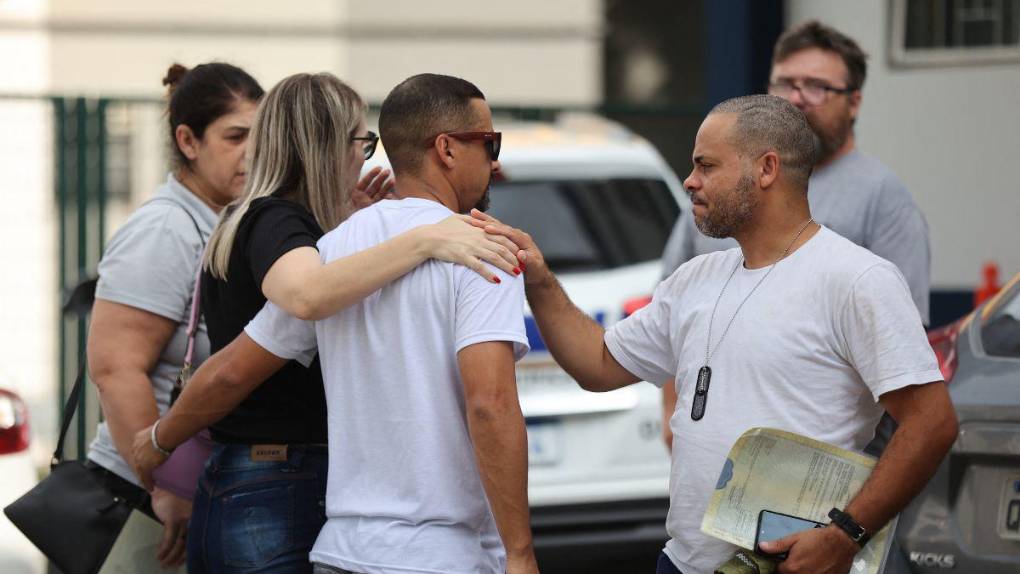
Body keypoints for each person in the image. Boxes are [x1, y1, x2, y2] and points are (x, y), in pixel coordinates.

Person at [478, 95, 957, 574]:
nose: (690, 180)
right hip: (682, 562)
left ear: (766, 169)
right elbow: (598, 364)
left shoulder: (858, 280)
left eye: (706, 165)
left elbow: (931, 424)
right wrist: (540, 280)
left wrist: (845, 535)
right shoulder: (695, 278)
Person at [130, 72, 531, 574]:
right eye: (361, 144)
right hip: (355, 515)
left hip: (337, 541)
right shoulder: (472, 246)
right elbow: (490, 403)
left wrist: (355, 225)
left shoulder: (325, 244)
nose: (494, 161)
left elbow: (240, 359)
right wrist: (425, 238)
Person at [660, 20, 932, 450]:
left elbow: (900, 355)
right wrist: (672, 414)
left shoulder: (883, 198)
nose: (797, 97)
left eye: (817, 87)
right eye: (785, 83)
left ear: (854, 102)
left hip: (820, 469)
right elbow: (669, 316)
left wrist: (864, 489)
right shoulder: (718, 186)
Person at [85, 61, 264, 569]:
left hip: (194, 494)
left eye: (260, 136)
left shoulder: (223, 222)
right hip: (148, 503)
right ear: (188, 141)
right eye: (235, 136)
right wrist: (162, 488)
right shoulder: (167, 229)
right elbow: (116, 368)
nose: (252, 152)